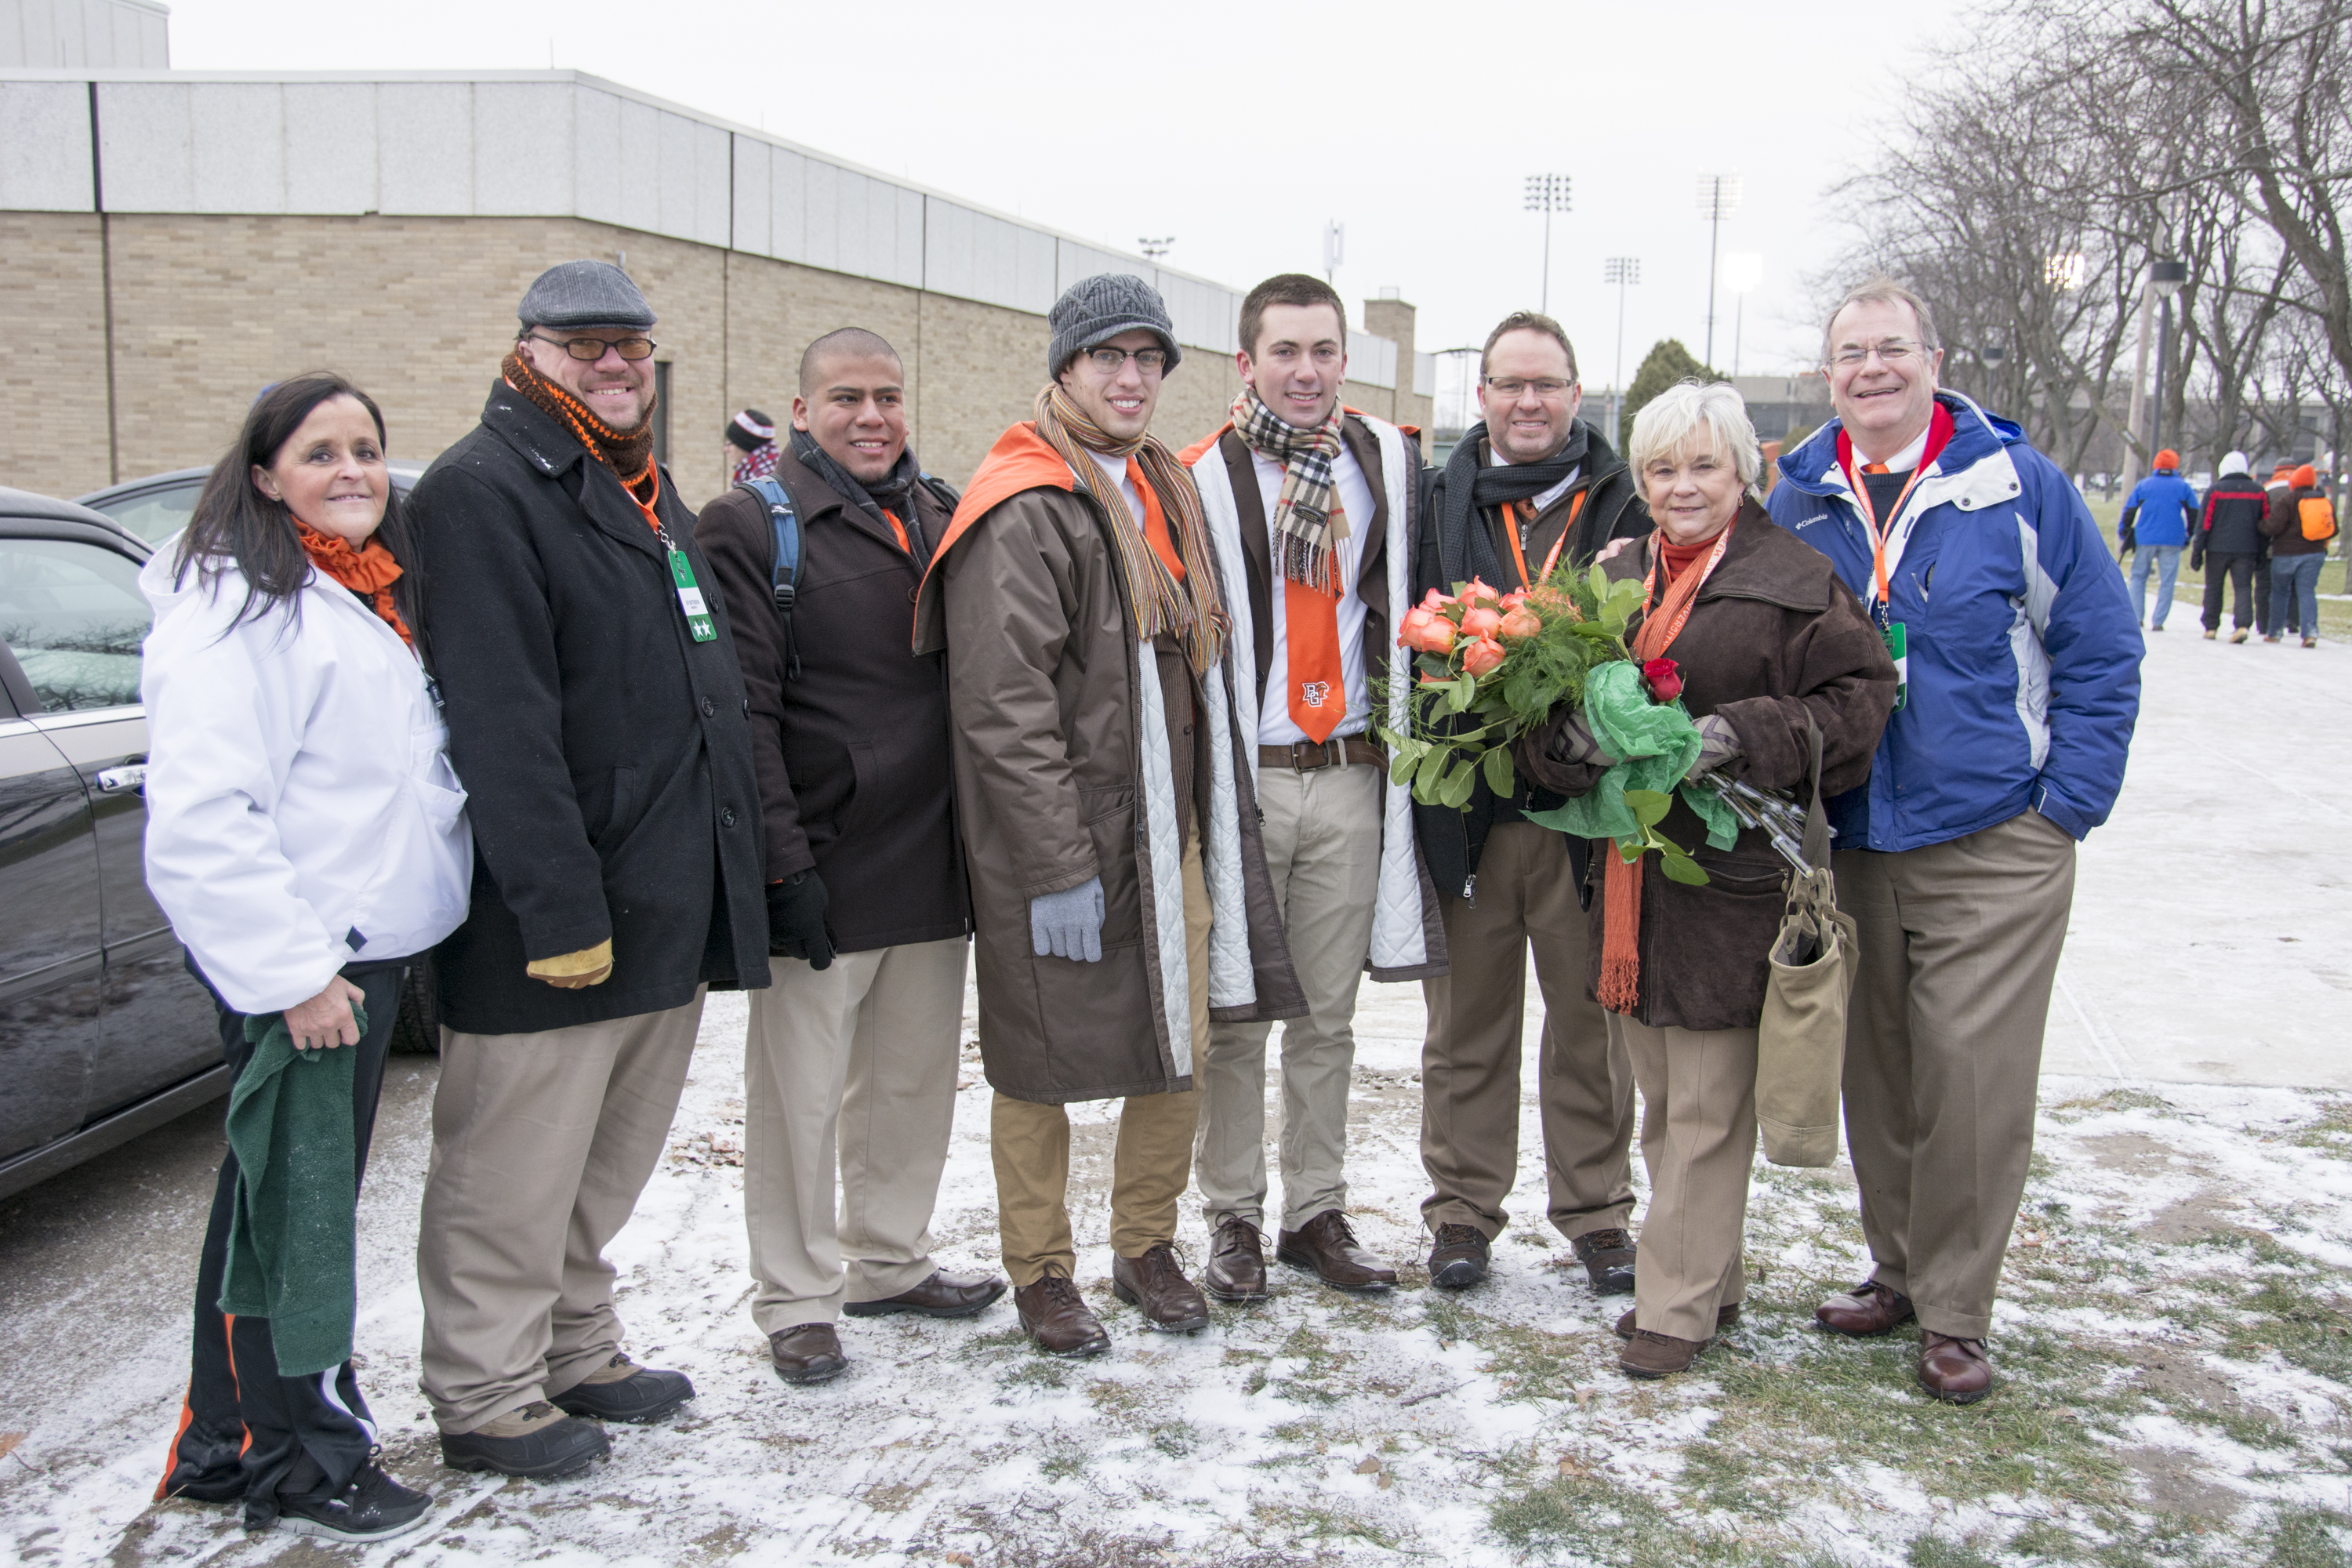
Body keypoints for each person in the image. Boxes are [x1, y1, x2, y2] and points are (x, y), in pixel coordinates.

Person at [408, 260, 771, 1475]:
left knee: (603, 1162)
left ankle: (575, 1347)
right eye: (587, 345)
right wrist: (560, 908)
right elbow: (503, 723)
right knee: (511, 1170)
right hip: (555, 917)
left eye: (632, 343)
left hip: (661, 895)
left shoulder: (640, 486)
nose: (617, 365)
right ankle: (486, 1391)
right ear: (532, 353)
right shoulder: (481, 490)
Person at [911, 274, 1304, 1356]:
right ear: (1065, 369)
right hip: (1062, 840)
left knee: (1180, 1035)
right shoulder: (1025, 499)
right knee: (1037, 1060)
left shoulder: (1162, 489)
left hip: (1167, 824)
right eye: (1108, 358)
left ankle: (1145, 1244)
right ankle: (1040, 1268)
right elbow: (1002, 706)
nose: (1131, 379)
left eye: (1149, 360)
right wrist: (1053, 865)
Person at [1769, 277, 2140, 1403]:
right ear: (1827, 374)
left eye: (1892, 348)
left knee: (1971, 1079)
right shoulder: (1797, 498)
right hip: (1858, 835)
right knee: (1877, 1071)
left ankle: (1959, 1312)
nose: (1871, 369)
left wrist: (2065, 802)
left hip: (1993, 836)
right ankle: (1897, 1272)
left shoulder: (2012, 485)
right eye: (1850, 354)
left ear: (1934, 357)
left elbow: (2099, 644)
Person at [145, 373, 470, 1542]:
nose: (352, 472)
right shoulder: (239, 613)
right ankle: (307, 1460)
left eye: (369, 450)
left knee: (270, 1201)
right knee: (303, 1220)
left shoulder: (351, 590)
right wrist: (292, 975)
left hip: (348, 955)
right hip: (311, 967)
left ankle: (225, 1442)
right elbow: (201, 820)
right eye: (321, 452)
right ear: (266, 473)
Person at [1518, 379, 1896, 1378]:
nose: (1681, 487)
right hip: (1631, 878)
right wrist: (1570, 742)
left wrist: (1737, 735)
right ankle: (1710, 1279)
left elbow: (1861, 700)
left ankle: (1675, 1306)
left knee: (1701, 1104)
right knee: (1664, 1093)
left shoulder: (1796, 574)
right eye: (1660, 468)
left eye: (1703, 465)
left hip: (1731, 879)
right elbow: (1539, 704)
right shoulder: (1613, 572)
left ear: (1745, 469)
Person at [695, 328, 1003, 1388]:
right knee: (801, 1099)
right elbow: (743, 714)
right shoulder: (749, 526)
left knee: (911, 1086)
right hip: (824, 861)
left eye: (887, 396)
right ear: (801, 409)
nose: (871, 416)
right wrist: (783, 869)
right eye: (845, 398)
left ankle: (887, 1260)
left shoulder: (938, 514)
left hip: (932, 864)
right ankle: (796, 1296)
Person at [1174, 275, 1443, 1302]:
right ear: (1246, 363)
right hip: (1253, 780)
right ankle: (1232, 1214)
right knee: (1239, 1014)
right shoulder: (1202, 479)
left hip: (1351, 776)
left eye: (1323, 350)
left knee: (1328, 1018)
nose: (1305, 371)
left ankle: (1315, 1210)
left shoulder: (1388, 467)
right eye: (1284, 351)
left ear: (1346, 358)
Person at [1410, 310, 1650, 1294]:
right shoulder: (1440, 500)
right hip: (1473, 810)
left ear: (1577, 390)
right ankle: (1463, 1210)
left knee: (1591, 1022)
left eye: (1546, 383)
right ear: (1483, 395)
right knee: (1467, 1026)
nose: (1528, 401)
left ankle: (1595, 1210)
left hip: (1584, 816)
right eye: (1509, 384)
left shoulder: (1627, 503)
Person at [2195, 452, 2267, 642]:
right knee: (2243, 587)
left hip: (2217, 548)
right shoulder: (2259, 491)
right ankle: (2243, 625)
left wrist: (2198, 551)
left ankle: (2211, 627)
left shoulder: (2216, 490)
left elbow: (2205, 523)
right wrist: (2262, 552)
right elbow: (2264, 524)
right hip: (2247, 548)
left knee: (2214, 587)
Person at [2120, 448, 2195, 630]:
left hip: (2145, 537)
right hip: (2173, 539)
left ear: (2156, 465)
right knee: (2168, 580)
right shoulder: (2183, 487)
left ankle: (2137, 617)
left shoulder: (2144, 485)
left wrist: (2125, 531)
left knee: (2138, 577)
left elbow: (2129, 510)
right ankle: (2159, 621)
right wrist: (2189, 534)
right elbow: (2194, 512)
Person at [2262, 463, 2331, 647]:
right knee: (2307, 593)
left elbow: (2274, 527)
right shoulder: (2323, 501)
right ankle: (2310, 633)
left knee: (2279, 593)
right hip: (2315, 554)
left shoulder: (2287, 501)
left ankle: (2275, 633)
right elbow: (2333, 528)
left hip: (2286, 554)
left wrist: (2261, 525)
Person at [2263, 460, 2296, 638]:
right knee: (2297, 588)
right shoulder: (2305, 490)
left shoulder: (2268, 489)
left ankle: (2266, 622)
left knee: (2270, 588)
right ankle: (2293, 621)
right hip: (2301, 549)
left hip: (2272, 547)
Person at [727, 408, 779, 484]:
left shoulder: (761, 481)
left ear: (745, 444)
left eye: (730, 443)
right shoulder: (758, 471)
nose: (726, 449)